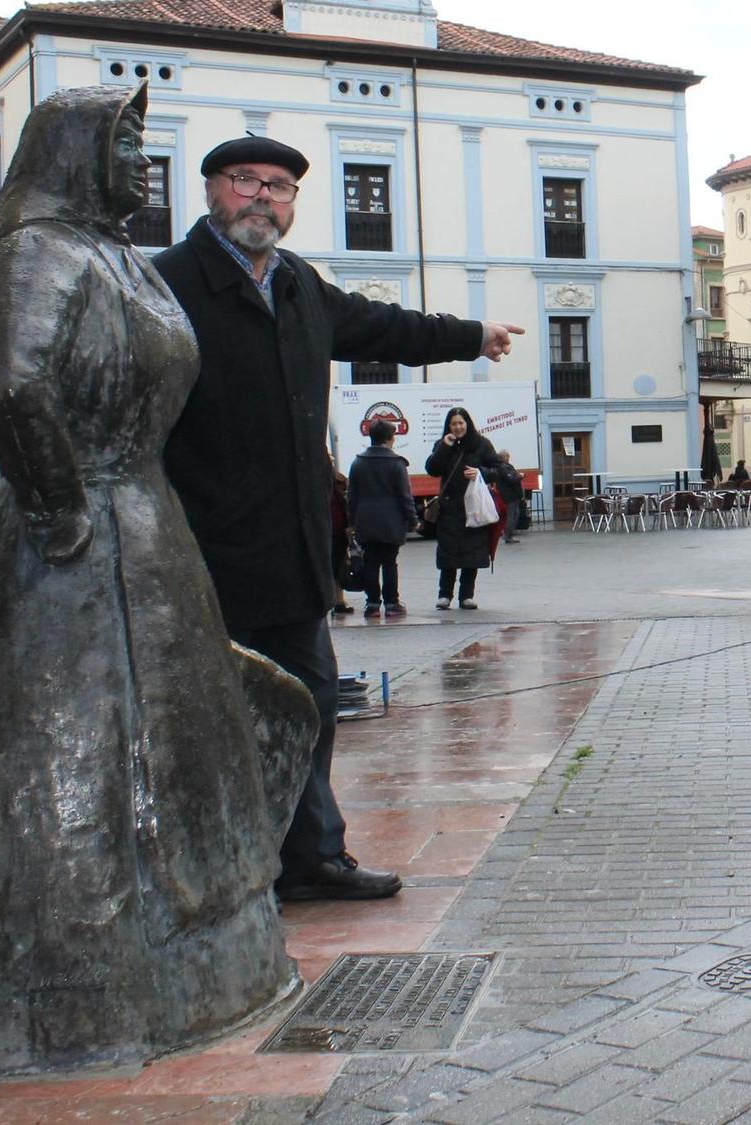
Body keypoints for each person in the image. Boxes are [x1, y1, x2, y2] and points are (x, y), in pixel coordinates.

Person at [0, 86, 324, 1075]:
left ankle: (202, 967)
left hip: (142, 528)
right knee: (80, 764)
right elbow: (6, 380)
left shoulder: (113, 254)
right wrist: (60, 502)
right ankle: (74, 1001)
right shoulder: (40, 248)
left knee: (180, 750)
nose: (137, 165)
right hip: (82, 547)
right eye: (124, 145)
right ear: (76, 152)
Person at [154, 133, 521, 904]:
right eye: (246, 180)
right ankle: (212, 870)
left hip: (290, 552)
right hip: (199, 557)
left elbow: (383, 326)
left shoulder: (296, 285)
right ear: (213, 191)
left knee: (310, 705)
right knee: (210, 725)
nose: (263, 196)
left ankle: (309, 857)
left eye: (279, 186)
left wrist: (470, 337)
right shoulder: (165, 286)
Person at [427, 407, 513, 609]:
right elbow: (432, 469)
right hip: (449, 508)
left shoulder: (482, 444)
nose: (457, 427)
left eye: (460, 423)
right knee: (448, 552)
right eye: (453, 424)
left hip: (474, 506)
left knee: (471, 552)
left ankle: (466, 595)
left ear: (468, 424)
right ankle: (444, 595)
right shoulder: (442, 444)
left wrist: (481, 472)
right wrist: (444, 447)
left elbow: (499, 470)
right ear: (449, 426)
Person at [348, 420, 416, 618]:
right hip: (391, 521)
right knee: (389, 562)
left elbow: (352, 496)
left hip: (366, 520)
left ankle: (372, 603)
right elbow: (405, 495)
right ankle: (392, 603)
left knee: (370, 562)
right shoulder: (396, 463)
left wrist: (351, 522)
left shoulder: (358, 463)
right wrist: (412, 519)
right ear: (390, 438)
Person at [327, 456, 353, 618]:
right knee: (336, 566)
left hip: (334, 529)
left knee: (336, 566)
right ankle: (337, 601)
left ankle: (337, 601)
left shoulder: (338, 480)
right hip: (335, 528)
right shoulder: (338, 480)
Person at [494, 449, 525, 544]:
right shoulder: (502, 467)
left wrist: (517, 475)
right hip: (509, 495)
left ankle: (508, 533)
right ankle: (508, 535)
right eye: (507, 456)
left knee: (515, 514)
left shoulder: (507, 466)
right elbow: (511, 479)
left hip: (514, 494)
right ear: (503, 457)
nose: (509, 458)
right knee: (512, 515)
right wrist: (520, 476)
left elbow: (513, 475)